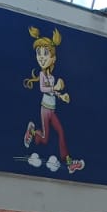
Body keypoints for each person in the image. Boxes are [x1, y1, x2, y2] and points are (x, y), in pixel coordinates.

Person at [22, 27, 84, 174]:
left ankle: (69, 162)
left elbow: (52, 92)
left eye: (45, 53)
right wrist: (55, 88)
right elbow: (43, 89)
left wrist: (61, 95)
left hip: (52, 109)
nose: (41, 57)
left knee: (61, 132)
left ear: (53, 58)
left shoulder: (51, 77)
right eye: (39, 53)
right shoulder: (43, 75)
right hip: (45, 109)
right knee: (44, 138)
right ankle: (32, 131)